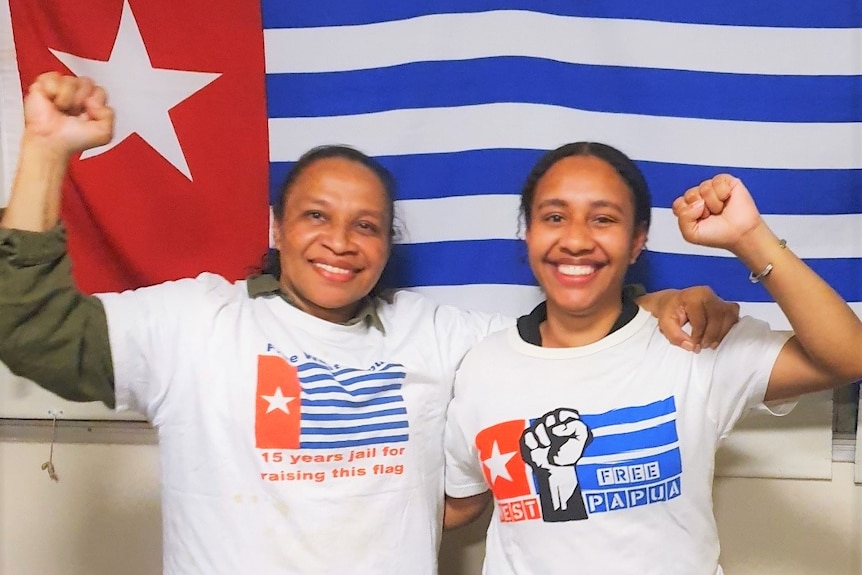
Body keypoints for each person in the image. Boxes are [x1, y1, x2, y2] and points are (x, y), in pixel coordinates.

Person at [0, 73, 739, 575]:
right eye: (316, 216)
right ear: (277, 228)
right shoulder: (196, 320)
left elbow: (565, 337)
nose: (341, 241)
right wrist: (45, 151)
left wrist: (654, 304)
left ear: (387, 244)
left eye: (368, 225)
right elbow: (31, 330)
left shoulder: (439, 335)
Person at [443, 142, 862, 574]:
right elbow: (460, 498)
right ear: (527, 232)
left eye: (603, 219)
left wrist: (748, 237)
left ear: (637, 240)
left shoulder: (692, 343)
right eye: (554, 217)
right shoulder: (483, 366)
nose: (575, 240)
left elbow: (849, 356)